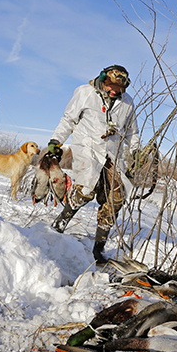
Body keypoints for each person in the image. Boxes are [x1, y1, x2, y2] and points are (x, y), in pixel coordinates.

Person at [47, 65, 140, 263]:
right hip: (87, 148)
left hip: (113, 153)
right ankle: (59, 225)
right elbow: (68, 120)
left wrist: (136, 152)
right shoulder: (85, 93)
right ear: (103, 79)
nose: (114, 90)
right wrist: (56, 141)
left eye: (119, 88)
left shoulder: (127, 102)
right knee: (85, 191)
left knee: (116, 198)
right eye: (110, 85)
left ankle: (98, 249)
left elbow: (132, 132)